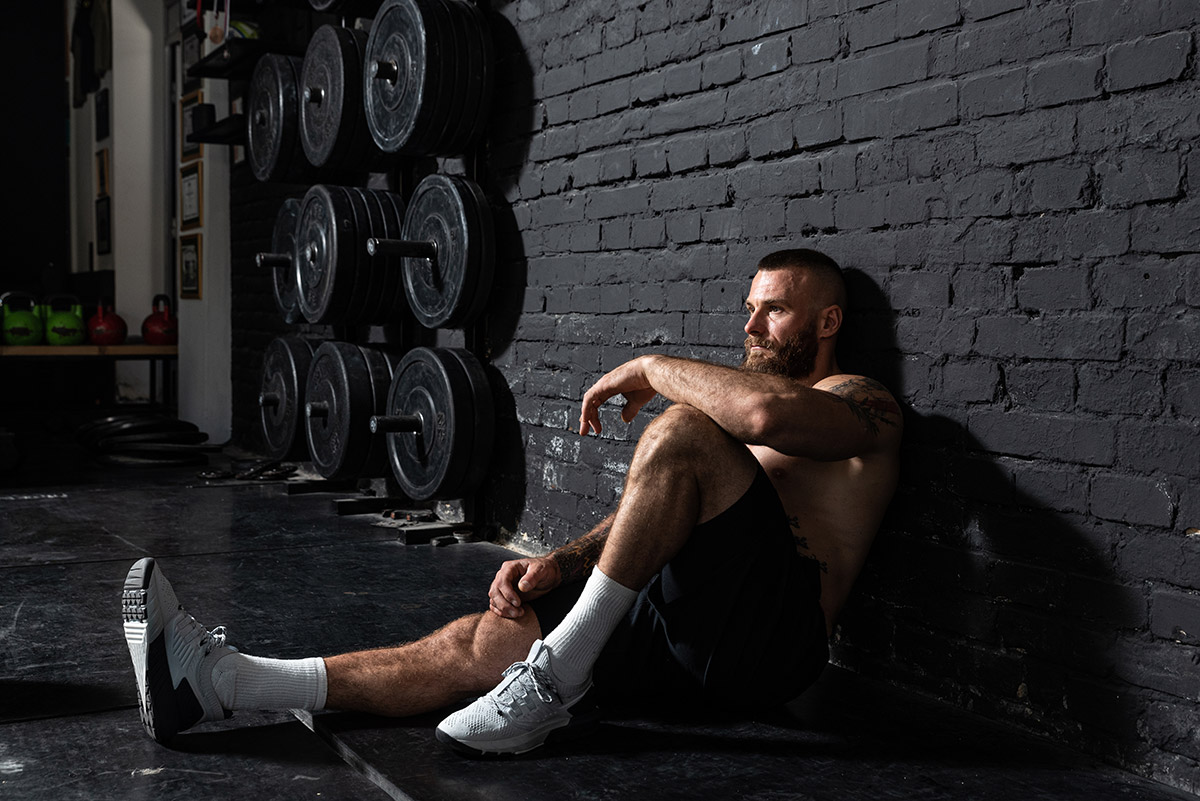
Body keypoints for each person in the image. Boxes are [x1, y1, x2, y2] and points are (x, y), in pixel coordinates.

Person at [121, 248, 903, 756]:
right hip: (684, 626)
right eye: (750, 306)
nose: (751, 323)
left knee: (683, 429)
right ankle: (224, 684)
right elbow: (653, 506)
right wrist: (559, 564)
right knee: (489, 638)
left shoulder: (862, 401)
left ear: (828, 322)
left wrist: (650, 364)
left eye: (775, 309)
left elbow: (764, 417)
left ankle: (552, 684)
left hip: (770, 645)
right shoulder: (734, 410)